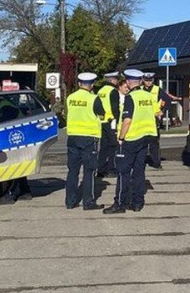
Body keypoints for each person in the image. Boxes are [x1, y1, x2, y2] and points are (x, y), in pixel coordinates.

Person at [103, 69, 158, 214]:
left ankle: (120, 204)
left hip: (131, 139)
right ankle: (137, 203)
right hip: (145, 137)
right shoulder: (148, 96)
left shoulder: (130, 97)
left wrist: (121, 138)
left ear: (127, 82)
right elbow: (157, 113)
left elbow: (127, 121)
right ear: (140, 81)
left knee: (123, 172)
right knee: (139, 171)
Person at [64, 72, 107, 211]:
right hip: (89, 138)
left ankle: (70, 202)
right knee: (89, 171)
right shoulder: (94, 98)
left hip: (73, 137)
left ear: (79, 84)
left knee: (72, 171)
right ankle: (88, 202)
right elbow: (102, 113)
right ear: (92, 85)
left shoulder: (70, 98)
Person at [95, 72, 120, 177]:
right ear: (112, 80)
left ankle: (100, 169)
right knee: (113, 145)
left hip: (101, 121)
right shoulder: (113, 91)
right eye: (116, 79)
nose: (117, 81)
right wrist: (118, 121)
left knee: (104, 146)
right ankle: (111, 169)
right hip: (111, 121)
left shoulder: (101, 91)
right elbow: (115, 108)